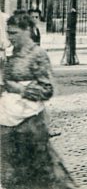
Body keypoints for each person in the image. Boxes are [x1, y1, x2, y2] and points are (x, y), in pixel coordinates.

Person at [0, 12, 76, 188]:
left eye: (14, 33)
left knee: (39, 172)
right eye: (8, 32)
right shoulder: (10, 56)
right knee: (10, 173)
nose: (10, 37)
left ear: (27, 31)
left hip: (31, 123)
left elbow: (47, 89)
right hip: (7, 121)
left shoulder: (38, 54)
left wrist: (19, 89)